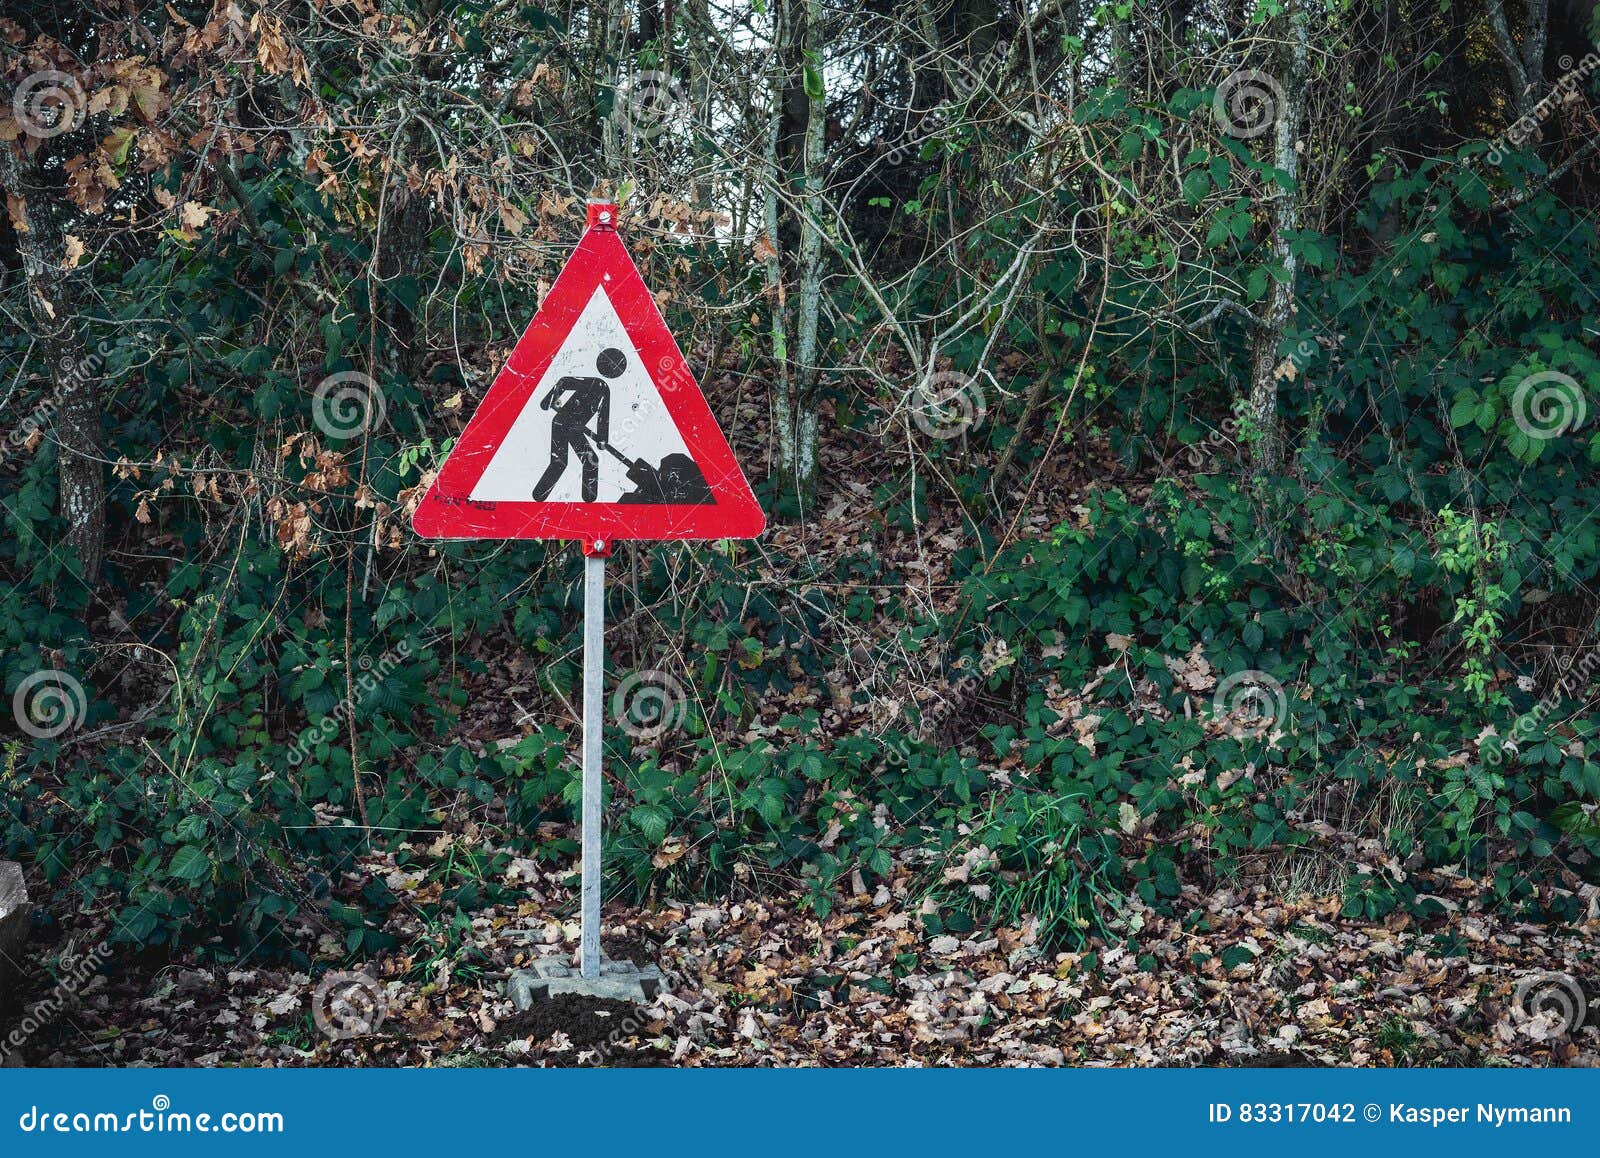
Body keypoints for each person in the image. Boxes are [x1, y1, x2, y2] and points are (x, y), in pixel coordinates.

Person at [530, 348, 626, 502]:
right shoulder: (593, 382)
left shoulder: (603, 388)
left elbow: (603, 416)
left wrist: (602, 438)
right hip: (561, 423)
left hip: (576, 428)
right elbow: (564, 382)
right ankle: (538, 496)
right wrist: (547, 402)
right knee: (559, 462)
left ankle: (589, 500)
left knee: (590, 460)